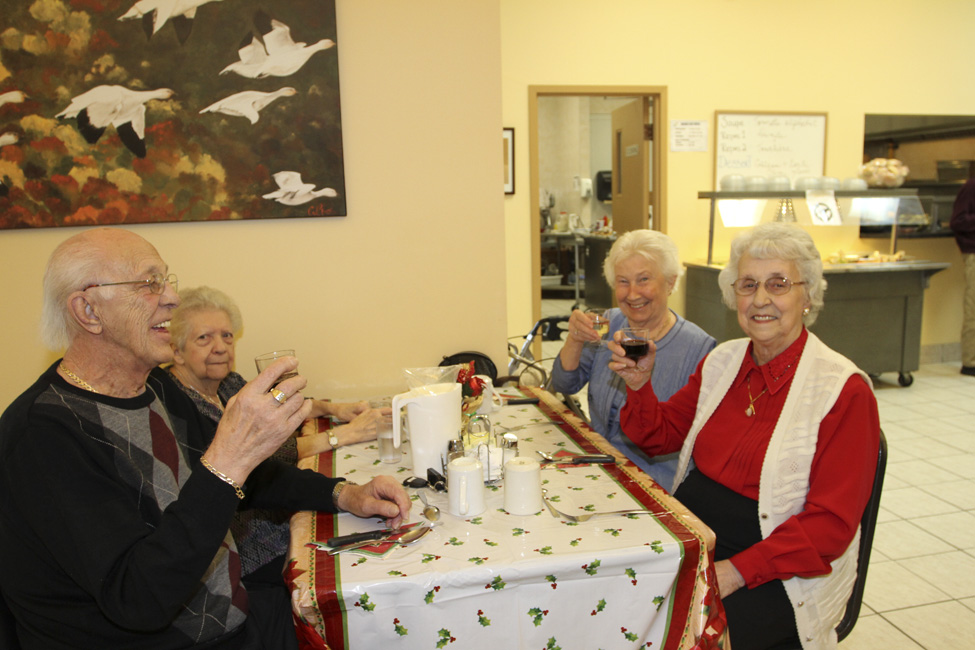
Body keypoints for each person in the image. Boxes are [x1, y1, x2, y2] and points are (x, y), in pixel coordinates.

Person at [0, 228, 411, 649]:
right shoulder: (42, 436)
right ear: (88, 310)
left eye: (166, 280)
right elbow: (139, 597)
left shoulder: (156, 388)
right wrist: (228, 461)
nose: (172, 298)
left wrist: (345, 494)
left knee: (385, 613)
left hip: (234, 614)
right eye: (148, 283)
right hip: (179, 640)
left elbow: (249, 474)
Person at [609, 222, 880, 650]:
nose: (760, 300)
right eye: (748, 284)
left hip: (781, 572)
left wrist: (730, 573)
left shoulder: (843, 390)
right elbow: (658, 437)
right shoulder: (724, 360)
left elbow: (829, 527)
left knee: (675, 636)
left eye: (778, 284)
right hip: (700, 542)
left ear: (807, 295)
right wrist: (641, 386)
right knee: (611, 601)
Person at [166, 285, 393, 644]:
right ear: (175, 351)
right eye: (204, 338)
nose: (221, 346)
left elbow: (277, 409)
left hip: (276, 512)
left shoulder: (229, 385)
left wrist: (331, 408)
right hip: (247, 542)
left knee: (368, 528)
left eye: (226, 335)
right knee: (359, 568)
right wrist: (342, 436)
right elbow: (271, 457)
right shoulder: (178, 405)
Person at [549, 229, 715, 489]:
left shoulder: (700, 348)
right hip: (599, 469)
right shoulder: (607, 322)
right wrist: (575, 338)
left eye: (644, 279)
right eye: (623, 282)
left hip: (656, 485)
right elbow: (563, 385)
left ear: (670, 282)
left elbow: (693, 442)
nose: (632, 293)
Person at [950, 178, 975, 376]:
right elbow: (958, 221)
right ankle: (971, 362)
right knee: (973, 308)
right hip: (973, 253)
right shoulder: (971, 187)